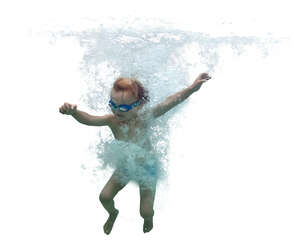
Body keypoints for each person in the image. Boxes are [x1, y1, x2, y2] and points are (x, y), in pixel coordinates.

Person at [59, 73, 211, 234]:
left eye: (123, 107)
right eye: (113, 104)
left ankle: (149, 218)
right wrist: (74, 113)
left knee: (145, 211)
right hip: (126, 165)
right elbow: (90, 119)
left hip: (147, 168)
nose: (117, 110)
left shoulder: (145, 117)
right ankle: (113, 213)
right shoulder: (112, 120)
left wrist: (192, 88)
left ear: (139, 105)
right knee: (104, 197)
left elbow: (170, 102)